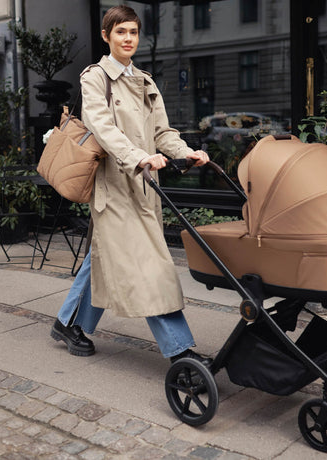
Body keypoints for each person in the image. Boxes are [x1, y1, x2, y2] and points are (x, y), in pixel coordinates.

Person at [50, 5, 210, 365]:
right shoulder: (94, 77)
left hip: (144, 188)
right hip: (115, 189)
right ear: (106, 36)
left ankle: (68, 323)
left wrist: (187, 152)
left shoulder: (146, 81)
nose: (128, 39)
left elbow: (162, 132)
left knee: (105, 256)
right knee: (147, 266)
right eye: (120, 32)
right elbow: (102, 128)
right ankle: (181, 352)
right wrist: (138, 156)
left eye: (133, 32)